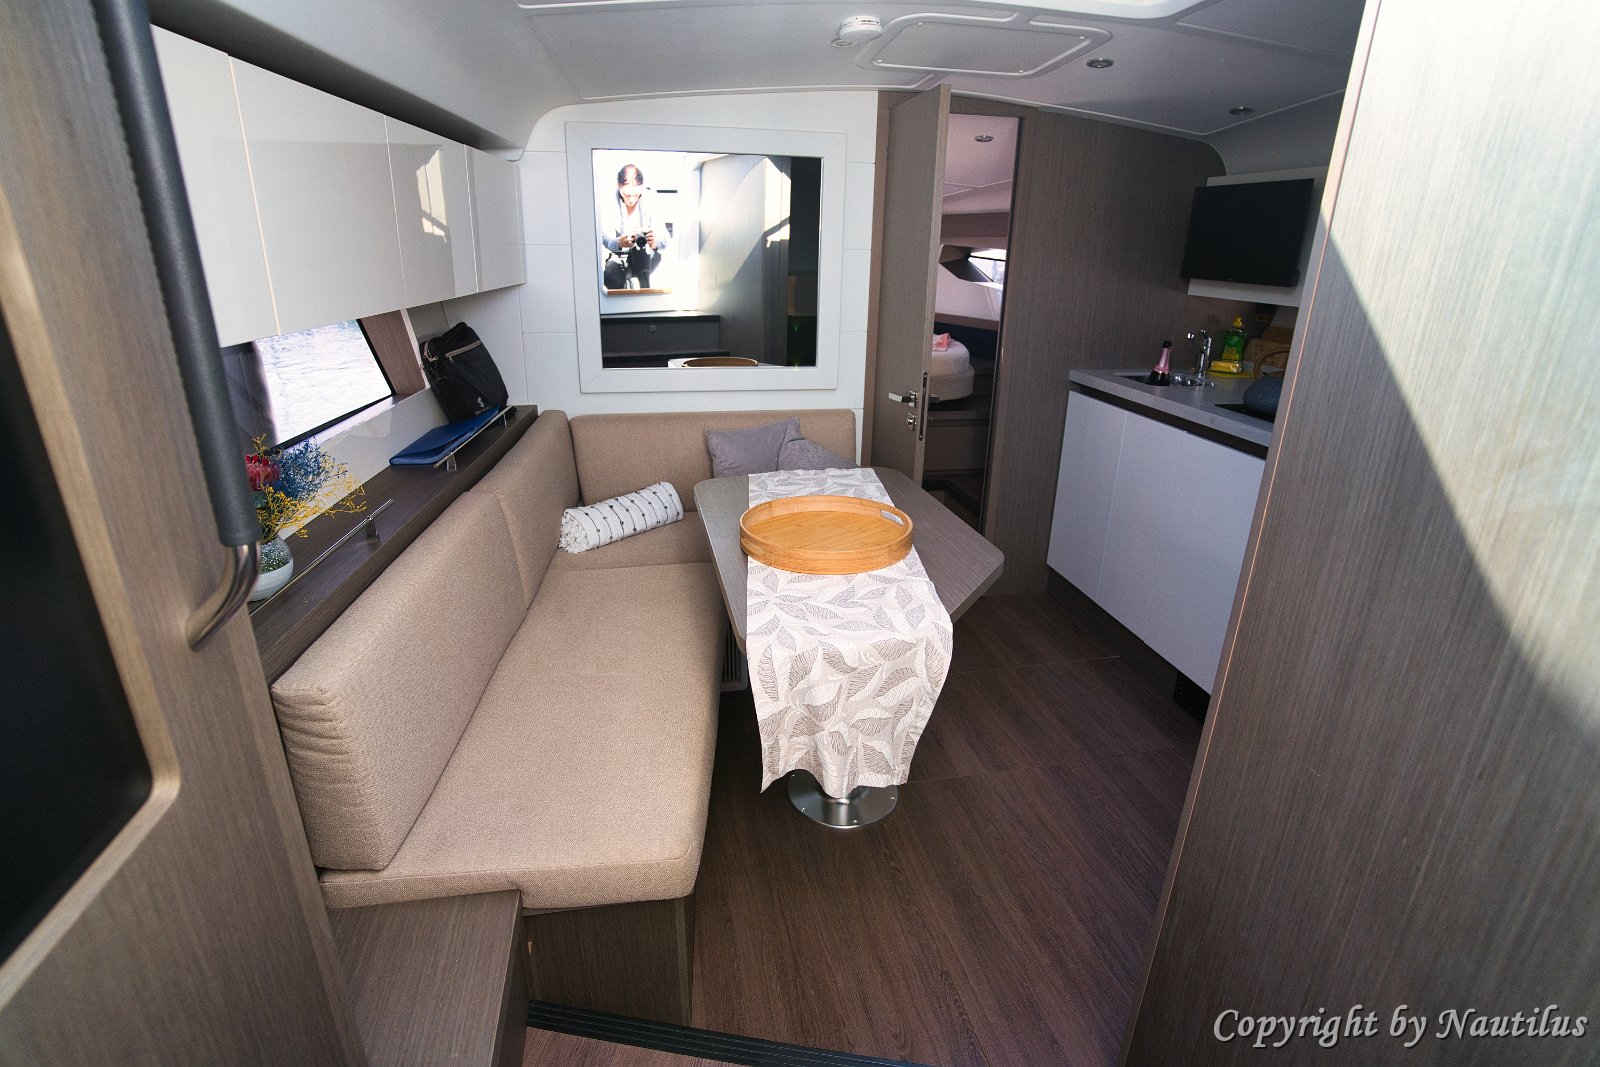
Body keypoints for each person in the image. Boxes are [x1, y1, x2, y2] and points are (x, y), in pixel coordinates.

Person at [600, 163, 669, 289]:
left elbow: (665, 240)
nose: (632, 200)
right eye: (627, 195)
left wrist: (654, 242)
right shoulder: (608, 202)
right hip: (619, 255)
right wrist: (619, 242)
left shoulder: (651, 199)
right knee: (610, 278)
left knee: (641, 250)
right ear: (619, 186)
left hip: (647, 256)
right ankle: (627, 285)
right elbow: (605, 239)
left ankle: (644, 289)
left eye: (636, 195)